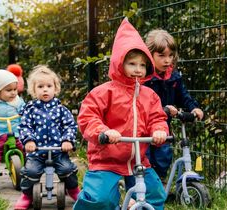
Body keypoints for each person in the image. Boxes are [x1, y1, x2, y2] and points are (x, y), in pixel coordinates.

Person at [73, 18, 169, 210]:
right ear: (119, 63)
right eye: (132, 63)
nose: (138, 69)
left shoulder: (149, 96)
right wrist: (103, 131)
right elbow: (88, 117)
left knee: (155, 194)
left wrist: (159, 130)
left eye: (143, 65)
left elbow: (157, 118)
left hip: (137, 159)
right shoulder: (104, 92)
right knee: (99, 200)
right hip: (106, 158)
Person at [14, 65, 80, 210]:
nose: (45, 89)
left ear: (55, 89)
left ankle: (73, 190)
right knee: (30, 171)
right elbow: (25, 127)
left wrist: (67, 140)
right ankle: (27, 195)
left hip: (58, 151)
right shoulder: (30, 110)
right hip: (37, 152)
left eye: (49, 86)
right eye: (40, 86)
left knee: (67, 169)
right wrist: (29, 141)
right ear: (33, 90)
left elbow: (70, 126)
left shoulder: (61, 110)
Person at [144, 29, 204, 183]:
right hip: (143, 128)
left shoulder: (174, 78)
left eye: (170, 56)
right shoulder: (144, 78)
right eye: (162, 55)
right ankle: (142, 187)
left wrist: (193, 108)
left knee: (163, 156)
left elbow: (183, 96)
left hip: (163, 128)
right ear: (150, 55)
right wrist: (162, 109)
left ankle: (159, 183)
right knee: (144, 159)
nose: (167, 60)